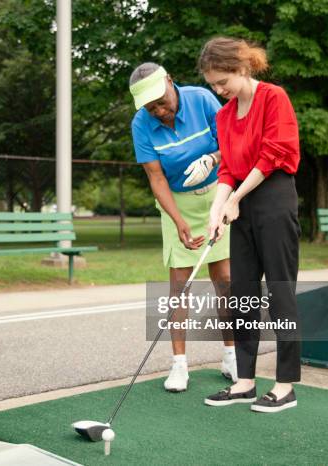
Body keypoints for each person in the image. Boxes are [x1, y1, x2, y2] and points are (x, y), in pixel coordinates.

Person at [195, 37, 301, 413]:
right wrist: (216, 210)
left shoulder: (274, 98)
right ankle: (244, 381)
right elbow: (227, 169)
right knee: (243, 292)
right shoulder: (223, 117)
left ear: (241, 68)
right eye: (213, 85)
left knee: (280, 290)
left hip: (273, 196)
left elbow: (275, 153)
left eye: (222, 81)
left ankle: (285, 385)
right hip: (240, 201)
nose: (219, 90)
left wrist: (235, 199)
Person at [129, 62, 236, 392]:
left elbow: (231, 143)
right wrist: (178, 222)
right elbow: (156, 177)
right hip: (177, 201)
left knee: (225, 281)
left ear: (171, 83)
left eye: (162, 102)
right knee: (179, 286)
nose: (159, 111)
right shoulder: (142, 124)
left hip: (217, 195)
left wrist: (213, 159)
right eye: (151, 107)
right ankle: (179, 366)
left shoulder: (202, 99)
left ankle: (232, 356)